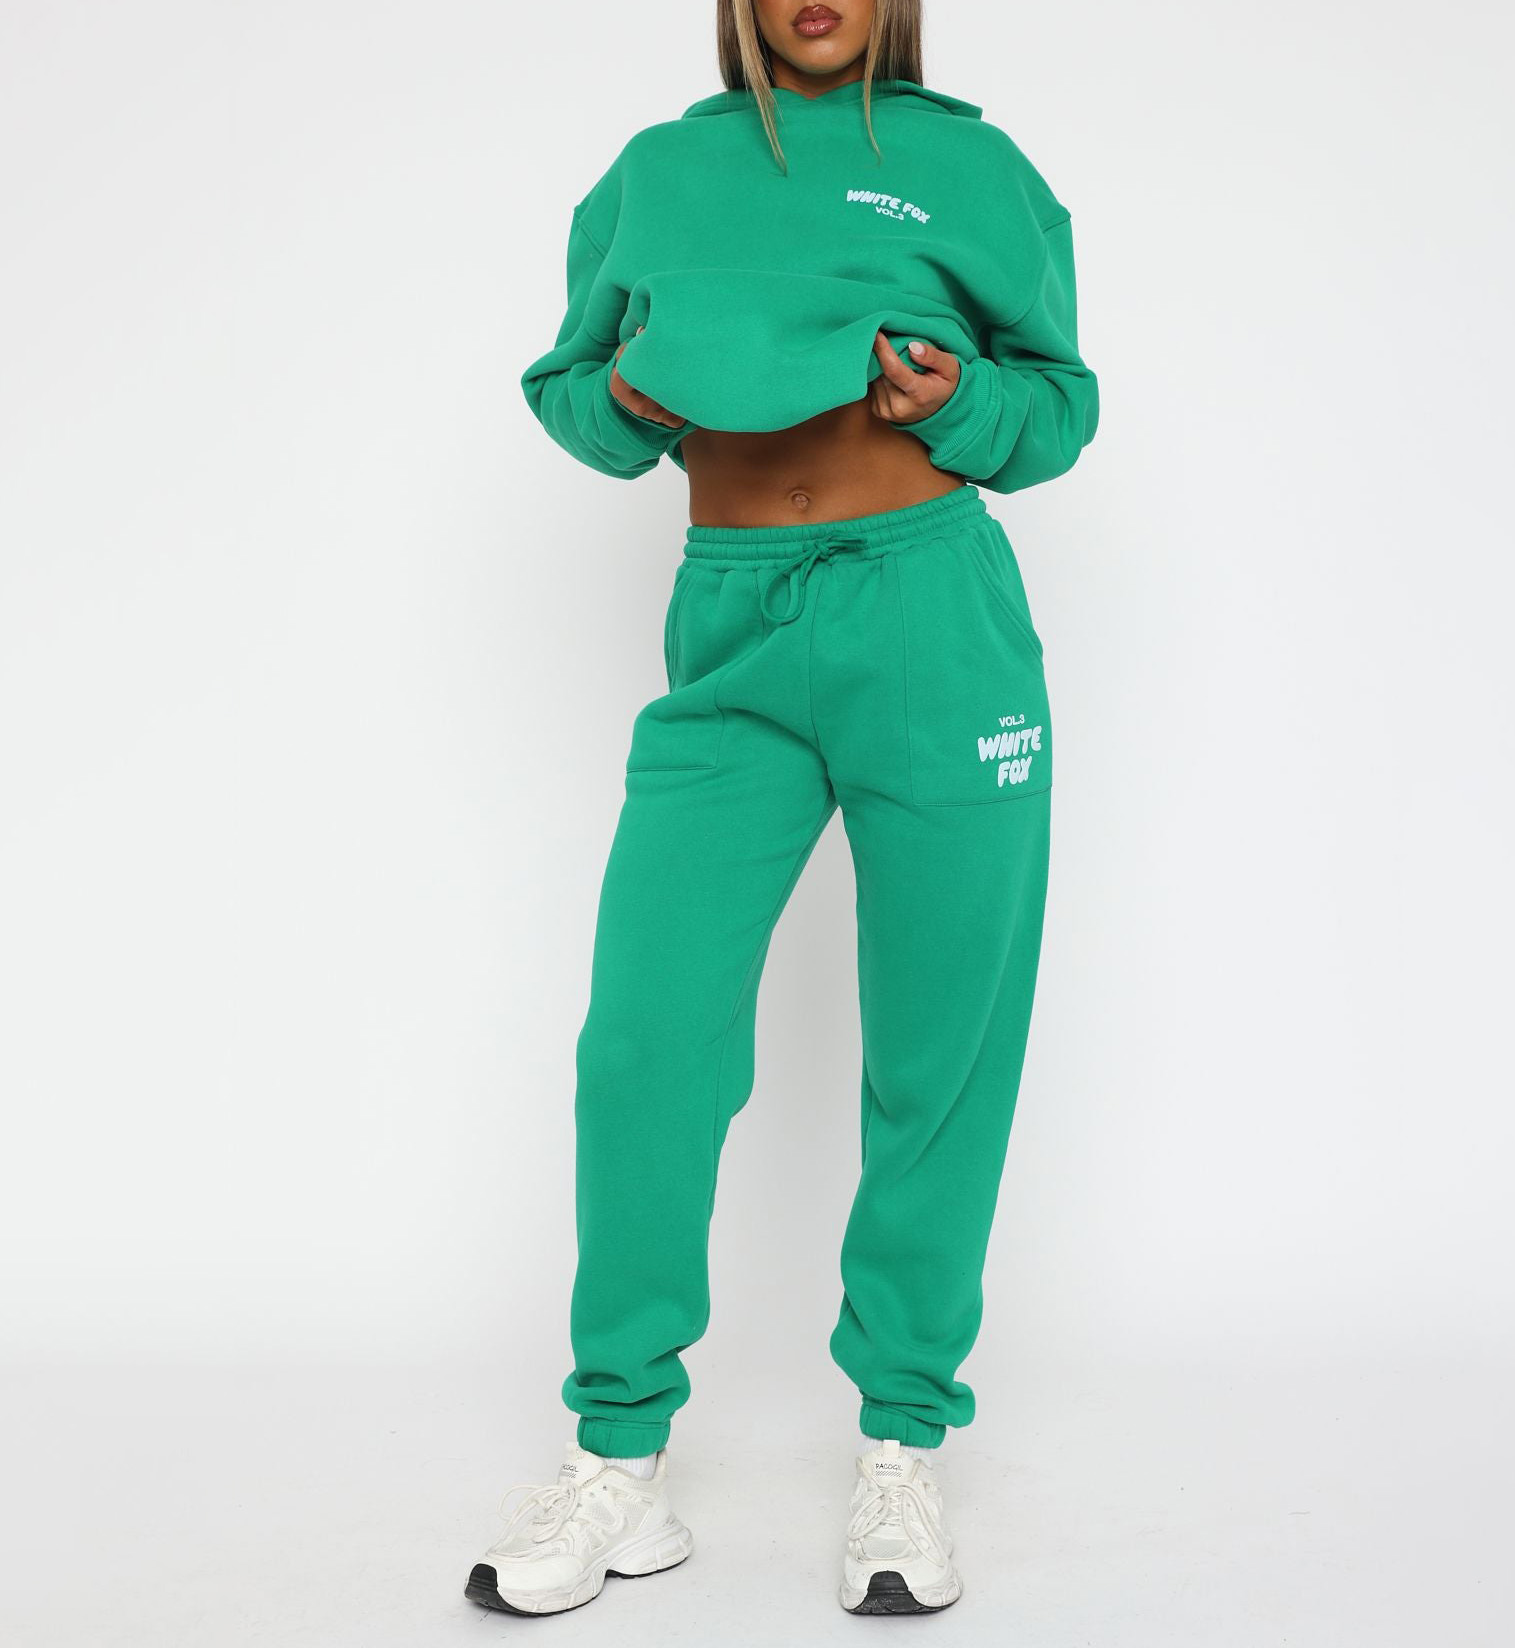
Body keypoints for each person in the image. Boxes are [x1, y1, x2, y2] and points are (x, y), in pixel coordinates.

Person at [465, 0, 1098, 1618]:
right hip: (732, 625)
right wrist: (635, 401)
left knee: (941, 1046)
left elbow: (1058, 407)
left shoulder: (975, 169)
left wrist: (956, 406)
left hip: (934, 622)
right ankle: (620, 1460)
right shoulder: (658, 173)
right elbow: (570, 390)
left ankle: (902, 1446)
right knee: (649, 1040)